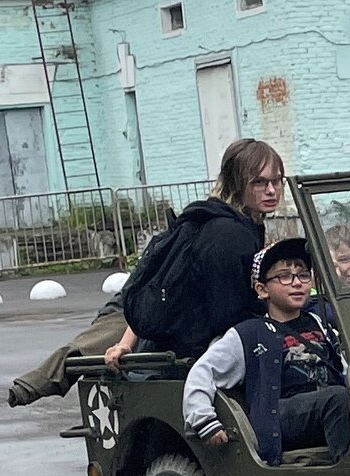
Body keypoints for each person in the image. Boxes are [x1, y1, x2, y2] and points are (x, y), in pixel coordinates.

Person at [104, 138, 285, 370]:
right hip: (187, 353)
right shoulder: (228, 233)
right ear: (236, 184)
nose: (271, 190)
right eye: (259, 182)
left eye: (277, 181)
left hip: (173, 341)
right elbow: (228, 314)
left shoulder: (218, 218)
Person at [182, 238, 350, 465]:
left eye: (302, 275)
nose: (297, 283)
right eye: (284, 276)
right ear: (262, 289)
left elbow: (344, 367)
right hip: (280, 416)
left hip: (331, 407)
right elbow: (203, 372)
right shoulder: (249, 333)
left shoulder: (319, 322)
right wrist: (204, 420)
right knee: (338, 398)